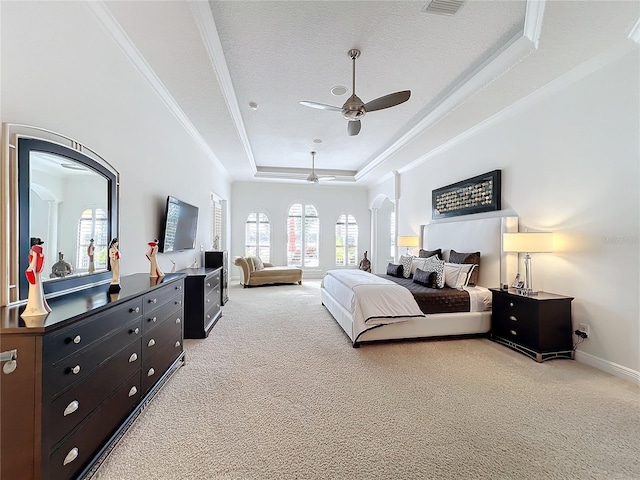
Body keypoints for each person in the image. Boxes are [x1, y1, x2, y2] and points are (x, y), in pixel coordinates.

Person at [23, 237, 51, 317]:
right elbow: (37, 267)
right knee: (35, 291)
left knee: (38, 290)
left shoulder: (35, 254)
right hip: (36, 274)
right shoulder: (34, 254)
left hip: (37, 274)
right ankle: (35, 307)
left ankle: (42, 306)